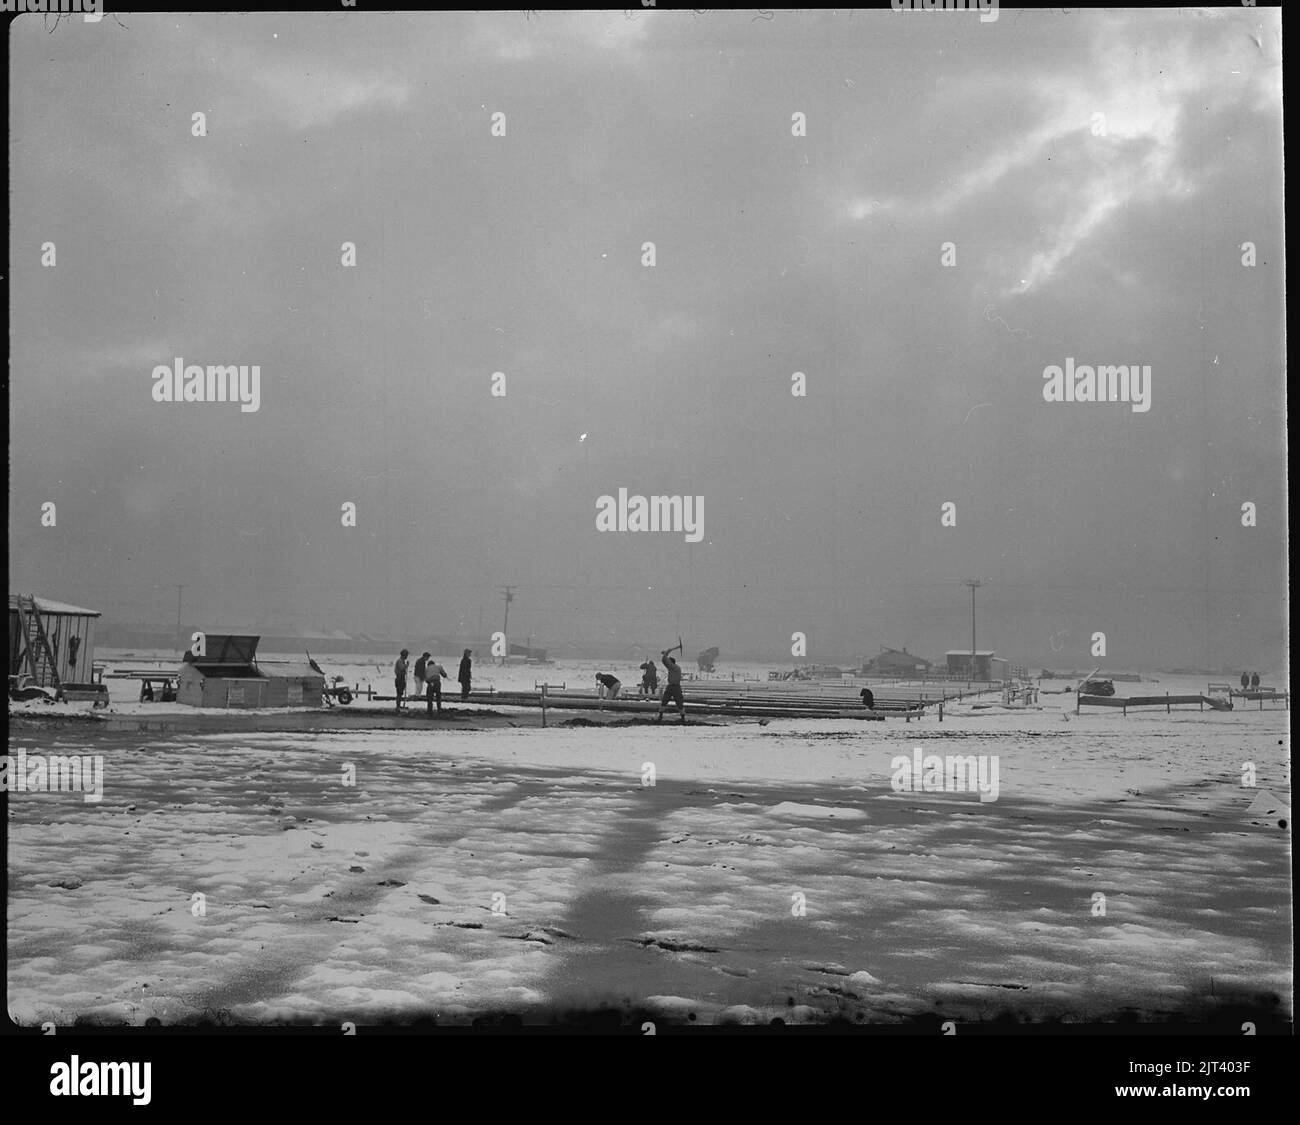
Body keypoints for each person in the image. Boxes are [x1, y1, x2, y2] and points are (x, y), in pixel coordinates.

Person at [657, 649, 686, 724]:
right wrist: (666, 654)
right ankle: (660, 716)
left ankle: (683, 718)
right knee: (664, 701)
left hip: (676, 687)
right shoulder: (671, 668)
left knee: (679, 702)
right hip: (670, 686)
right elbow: (664, 661)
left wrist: (666, 653)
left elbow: (666, 661)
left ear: (672, 663)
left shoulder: (676, 668)